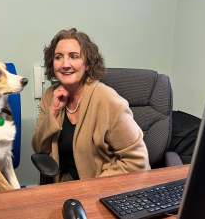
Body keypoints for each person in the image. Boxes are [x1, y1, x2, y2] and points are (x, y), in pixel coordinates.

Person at [32, 28, 150, 182]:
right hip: (65, 185)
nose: (65, 64)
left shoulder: (108, 100)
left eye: (74, 57)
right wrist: (53, 112)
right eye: (58, 57)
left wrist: (92, 188)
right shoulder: (50, 96)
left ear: (87, 64)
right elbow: (39, 147)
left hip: (105, 186)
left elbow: (137, 160)